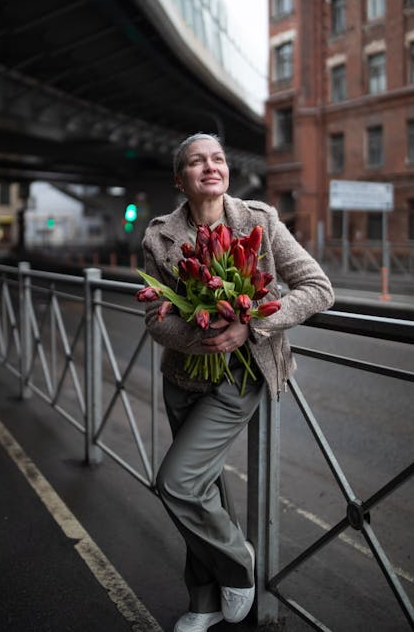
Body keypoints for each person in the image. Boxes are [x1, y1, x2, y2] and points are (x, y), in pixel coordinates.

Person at [141, 133, 334, 632]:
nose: (211, 167)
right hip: (185, 376)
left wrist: (253, 323)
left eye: (218, 159)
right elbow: (156, 316)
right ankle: (203, 604)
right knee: (201, 490)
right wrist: (196, 334)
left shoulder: (260, 221)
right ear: (179, 179)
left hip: (241, 378)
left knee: (177, 483)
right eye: (196, 161)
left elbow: (318, 289)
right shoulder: (159, 236)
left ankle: (239, 564)